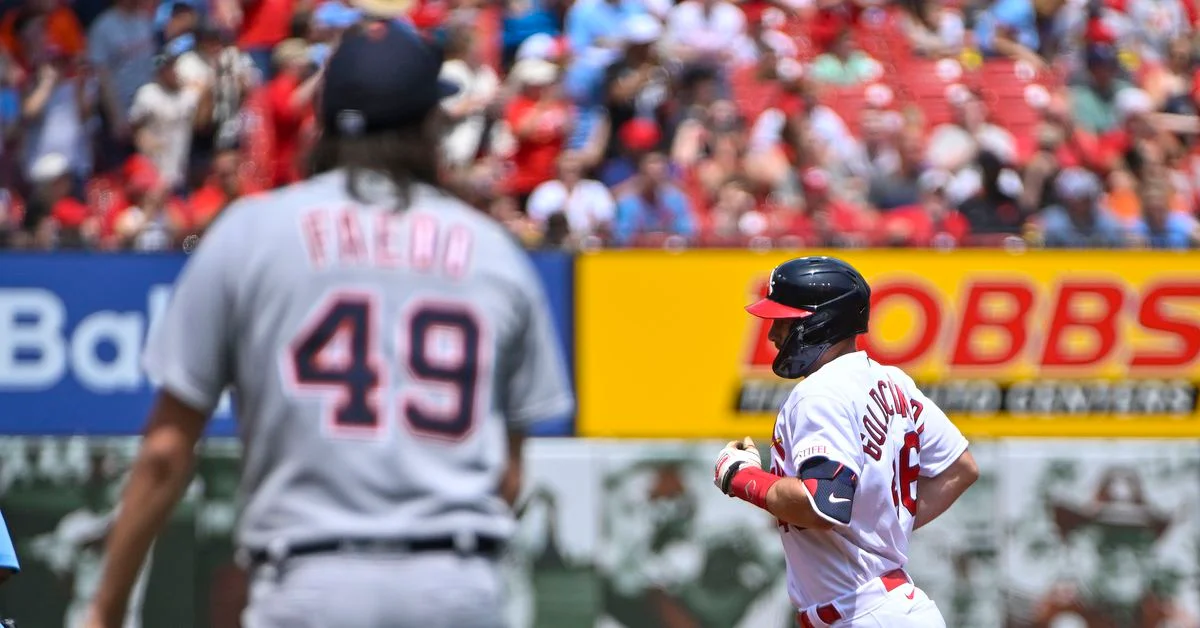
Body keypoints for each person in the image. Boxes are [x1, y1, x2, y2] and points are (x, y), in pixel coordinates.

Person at [84, 16, 573, 628]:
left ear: (322, 119)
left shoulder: (252, 232)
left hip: (309, 580)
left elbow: (164, 450)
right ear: (427, 123)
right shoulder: (493, 250)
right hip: (454, 584)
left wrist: (105, 607)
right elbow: (508, 471)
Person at [712, 256, 979, 628]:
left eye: (783, 322)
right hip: (881, 607)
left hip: (863, 614)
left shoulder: (820, 393)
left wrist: (740, 477)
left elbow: (822, 504)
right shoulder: (892, 381)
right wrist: (881, 526)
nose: (773, 335)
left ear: (819, 323)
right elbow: (961, 469)